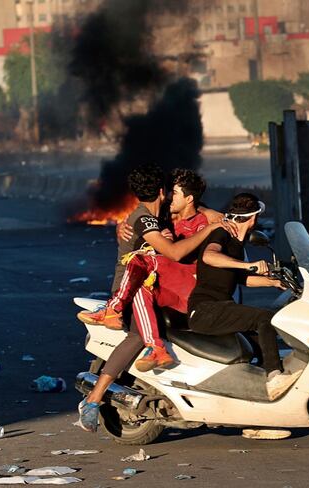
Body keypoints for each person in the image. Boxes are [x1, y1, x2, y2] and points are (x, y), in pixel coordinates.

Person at [77, 164, 232, 432]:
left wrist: (209, 216)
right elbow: (172, 253)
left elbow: (203, 210)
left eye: (176, 193)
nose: (171, 197)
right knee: (137, 336)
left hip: (159, 288)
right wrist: (206, 229)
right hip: (132, 290)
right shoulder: (144, 220)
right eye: (169, 192)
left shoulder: (160, 217)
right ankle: (93, 400)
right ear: (162, 192)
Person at [187, 192, 301, 401]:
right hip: (205, 309)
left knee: (258, 343)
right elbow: (209, 256)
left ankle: (259, 400)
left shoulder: (238, 244)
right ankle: (275, 376)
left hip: (220, 307)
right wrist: (248, 265)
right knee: (264, 318)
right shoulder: (222, 232)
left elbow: (241, 279)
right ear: (253, 218)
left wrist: (274, 282)